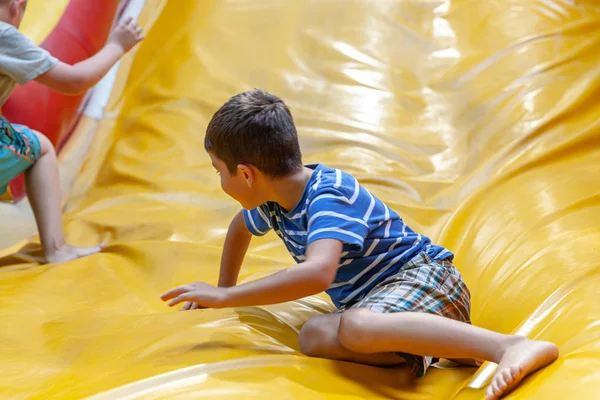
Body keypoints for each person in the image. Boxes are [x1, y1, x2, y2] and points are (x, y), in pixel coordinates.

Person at [160, 89, 558, 400]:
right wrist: (222, 287)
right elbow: (239, 228)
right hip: (386, 304)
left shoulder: (327, 194)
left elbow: (319, 273)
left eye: (218, 172)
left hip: (426, 280)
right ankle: (421, 351)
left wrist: (227, 298)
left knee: (357, 325)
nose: (220, 181)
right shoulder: (274, 202)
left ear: (246, 175)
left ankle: (510, 346)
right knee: (313, 335)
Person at [0, 0, 144, 263]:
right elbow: (74, 81)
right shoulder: (4, 36)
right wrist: (117, 45)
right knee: (40, 148)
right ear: (16, 5)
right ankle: (57, 249)